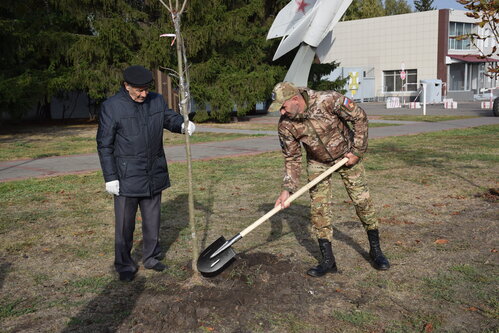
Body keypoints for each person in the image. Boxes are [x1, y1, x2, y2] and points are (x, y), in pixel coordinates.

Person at [270, 81, 390, 278]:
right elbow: (292, 157)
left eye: (283, 107)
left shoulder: (328, 100)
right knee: (319, 210)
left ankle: (376, 251)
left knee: (362, 203)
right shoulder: (286, 125)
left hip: (347, 156)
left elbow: (359, 117)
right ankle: (328, 261)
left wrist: (357, 151)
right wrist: (287, 189)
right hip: (318, 162)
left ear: (295, 99)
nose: (281, 112)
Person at [97, 65, 196, 282]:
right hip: (126, 177)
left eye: (146, 89)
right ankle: (124, 264)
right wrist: (110, 177)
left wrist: (183, 124)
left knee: (153, 221)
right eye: (139, 90)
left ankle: (151, 257)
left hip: (153, 173)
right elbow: (104, 145)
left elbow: (169, 119)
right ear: (126, 86)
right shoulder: (112, 107)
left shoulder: (156, 100)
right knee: (125, 225)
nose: (143, 94)